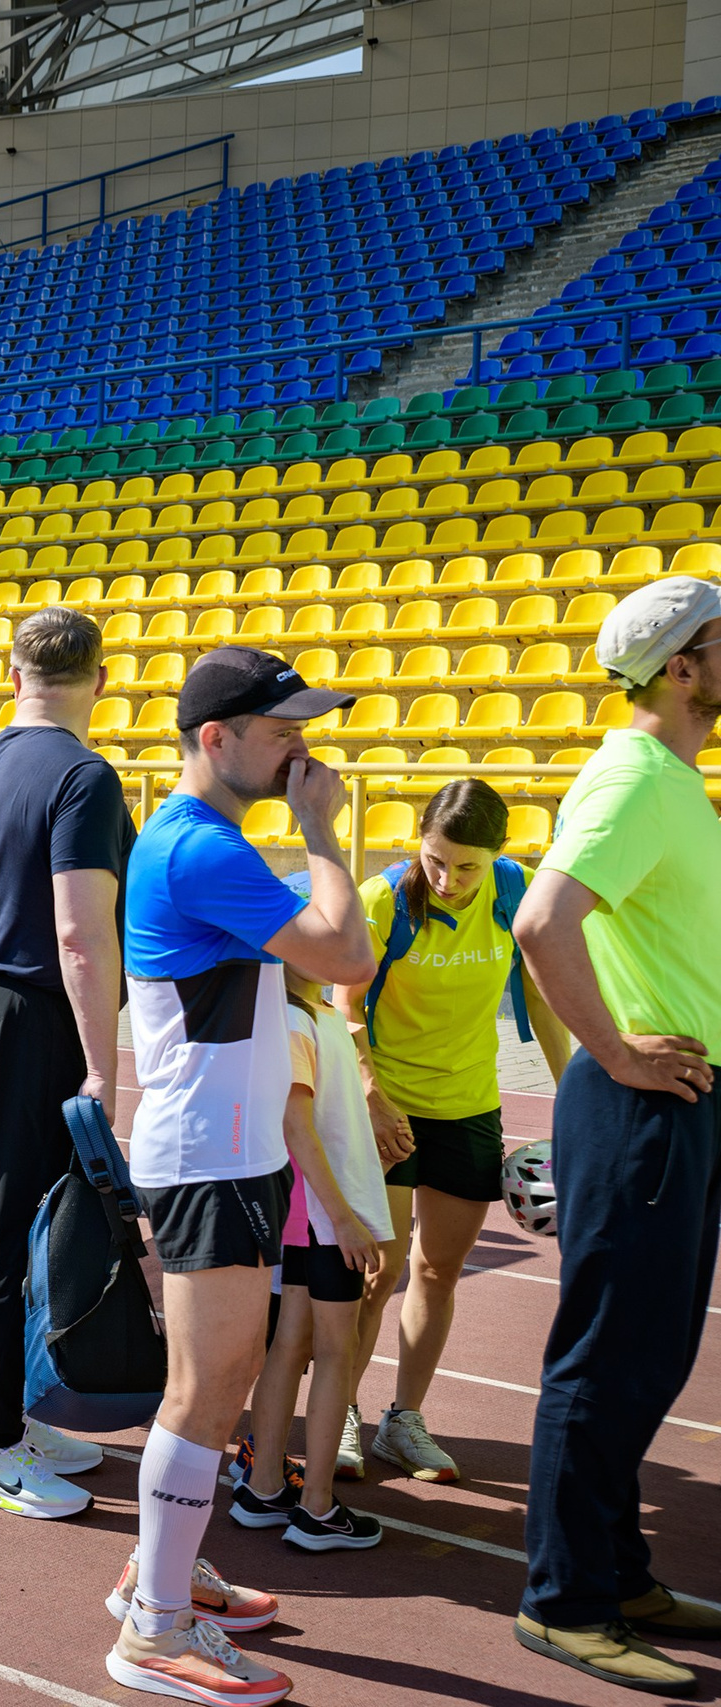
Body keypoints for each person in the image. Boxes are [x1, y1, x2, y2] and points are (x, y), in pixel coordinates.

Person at [106, 645, 375, 1707]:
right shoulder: (200, 848)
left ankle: (154, 1574)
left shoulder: (202, 839)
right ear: (214, 739)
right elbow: (344, 956)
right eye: (282, 731)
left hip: (236, 1148)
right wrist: (324, 838)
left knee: (219, 1383)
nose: (300, 748)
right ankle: (154, 1630)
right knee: (207, 1387)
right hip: (208, 1157)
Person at [508, 575, 721, 1695]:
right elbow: (541, 922)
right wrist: (623, 1053)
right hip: (640, 1105)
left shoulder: (675, 781)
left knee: (653, 1351)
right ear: (679, 667)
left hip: (678, 1102)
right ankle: (564, 1602)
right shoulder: (636, 774)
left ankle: (614, 1568)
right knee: (605, 1355)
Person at [0, 608, 129, 1519]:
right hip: (36, 1011)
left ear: (10, 676)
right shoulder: (84, 777)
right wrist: (103, 1063)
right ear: (101, 678)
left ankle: (6, 1412)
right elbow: (83, 935)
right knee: (17, 1227)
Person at [332, 779, 572, 1484]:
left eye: (466, 865)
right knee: (378, 1273)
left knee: (437, 1271)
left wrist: (576, 1098)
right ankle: (340, 1410)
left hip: (468, 1105)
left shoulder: (511, 891)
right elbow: (344, 1007)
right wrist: (373, 1098)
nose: (449, 878)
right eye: (437, 860)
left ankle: (403, 1420)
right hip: (388, 1108)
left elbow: (540, 996)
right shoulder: (384, 900)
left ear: (495, 856)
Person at [232, 967, 389, 1551]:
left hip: (317, 1214)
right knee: (334, 1354)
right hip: (322, 1217)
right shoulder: (296, 1019)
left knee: (292, 1345)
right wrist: (344, 1217)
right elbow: (296, 1125)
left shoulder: (316, 1016)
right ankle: (317, 1507)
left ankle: (264, 1486)